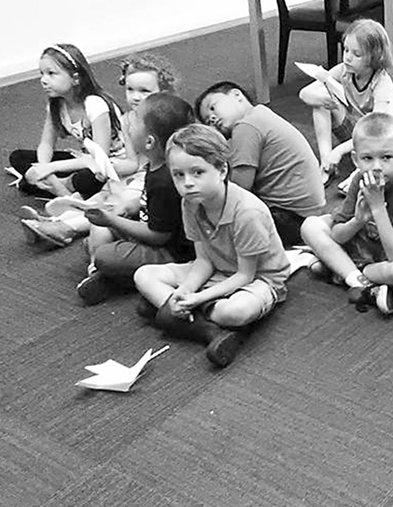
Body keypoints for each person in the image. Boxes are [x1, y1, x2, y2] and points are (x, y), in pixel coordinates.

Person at [134, 124, 290, 368]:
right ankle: (201, 324)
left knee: (236, 312)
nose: (187, 183)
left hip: (259, 279)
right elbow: (203, 261)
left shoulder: (247, 212)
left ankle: (174, 313)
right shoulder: (190, 203)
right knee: (143, 275)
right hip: (216, 270)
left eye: (198, 172)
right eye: (178, 175)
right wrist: (185, 290)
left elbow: (245, 275)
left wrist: (196, 298)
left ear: (221, 170)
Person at [20, 53, 180, 248]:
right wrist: (108, 167)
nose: (135, 97)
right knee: (101, 197)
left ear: (163, 91)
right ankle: (57, 221)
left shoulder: (170, 118)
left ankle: (66, 228)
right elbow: (131, 162)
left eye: (144, 91)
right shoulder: (127, 120)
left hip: (156, 180)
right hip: (132, 174)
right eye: (130, 89)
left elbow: (172, 158)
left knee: (114, 203)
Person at [300, 112, 393, 315]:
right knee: (310, 225)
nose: (376, 167)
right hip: (371, 243)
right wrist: (358, 220)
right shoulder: (359, 180)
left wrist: (378, 207)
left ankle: (345, 270)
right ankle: (364, 283)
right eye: (367, 158)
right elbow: (337, 233)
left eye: (386, 157)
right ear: (355, 159)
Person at [76, 93, 195, 305]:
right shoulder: (155, 163)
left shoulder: (165, 179)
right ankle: (101, 273)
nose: (129, 121)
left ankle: (109, 274)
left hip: (170, 251)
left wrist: (112, 220)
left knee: (105, 254)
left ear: (149, 142)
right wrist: (128, 206)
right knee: (98, 232)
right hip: (148, 229)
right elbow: (148, 204)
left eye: (136, 119)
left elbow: (159, 237)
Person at [195, 81, 324, 246]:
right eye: (207, 122)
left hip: (289, 218)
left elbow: (241, 188)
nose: (212, 119)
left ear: (237, 95)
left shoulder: (246, 127)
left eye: (212, 107)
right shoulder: (262, 114)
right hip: (308, 215)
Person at [9, 44, 123, 199]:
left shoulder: (95, 104)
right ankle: (60, 188)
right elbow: (46, 144)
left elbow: (101, 158)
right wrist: (44, 169)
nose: (43, 80)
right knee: (18, 157)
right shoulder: (56, 104)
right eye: (41, 74)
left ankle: (59, 191)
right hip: (83, 159)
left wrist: (50, 168)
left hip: (111, 164)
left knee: (87, 178)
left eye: (51, 74)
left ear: (75, 78)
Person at [298, 18, 393, 184]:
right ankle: (326, 163)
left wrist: (339, 150)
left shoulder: (382, 83)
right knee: (320, 103)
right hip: (356, 131)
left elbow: (374, 131)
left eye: (356, 54)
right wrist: (325, 98)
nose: (347, 58)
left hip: (377, 140)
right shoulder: (344, 70)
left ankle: (358, 173)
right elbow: (305, 93)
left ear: (374, 58)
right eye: (346, 50)